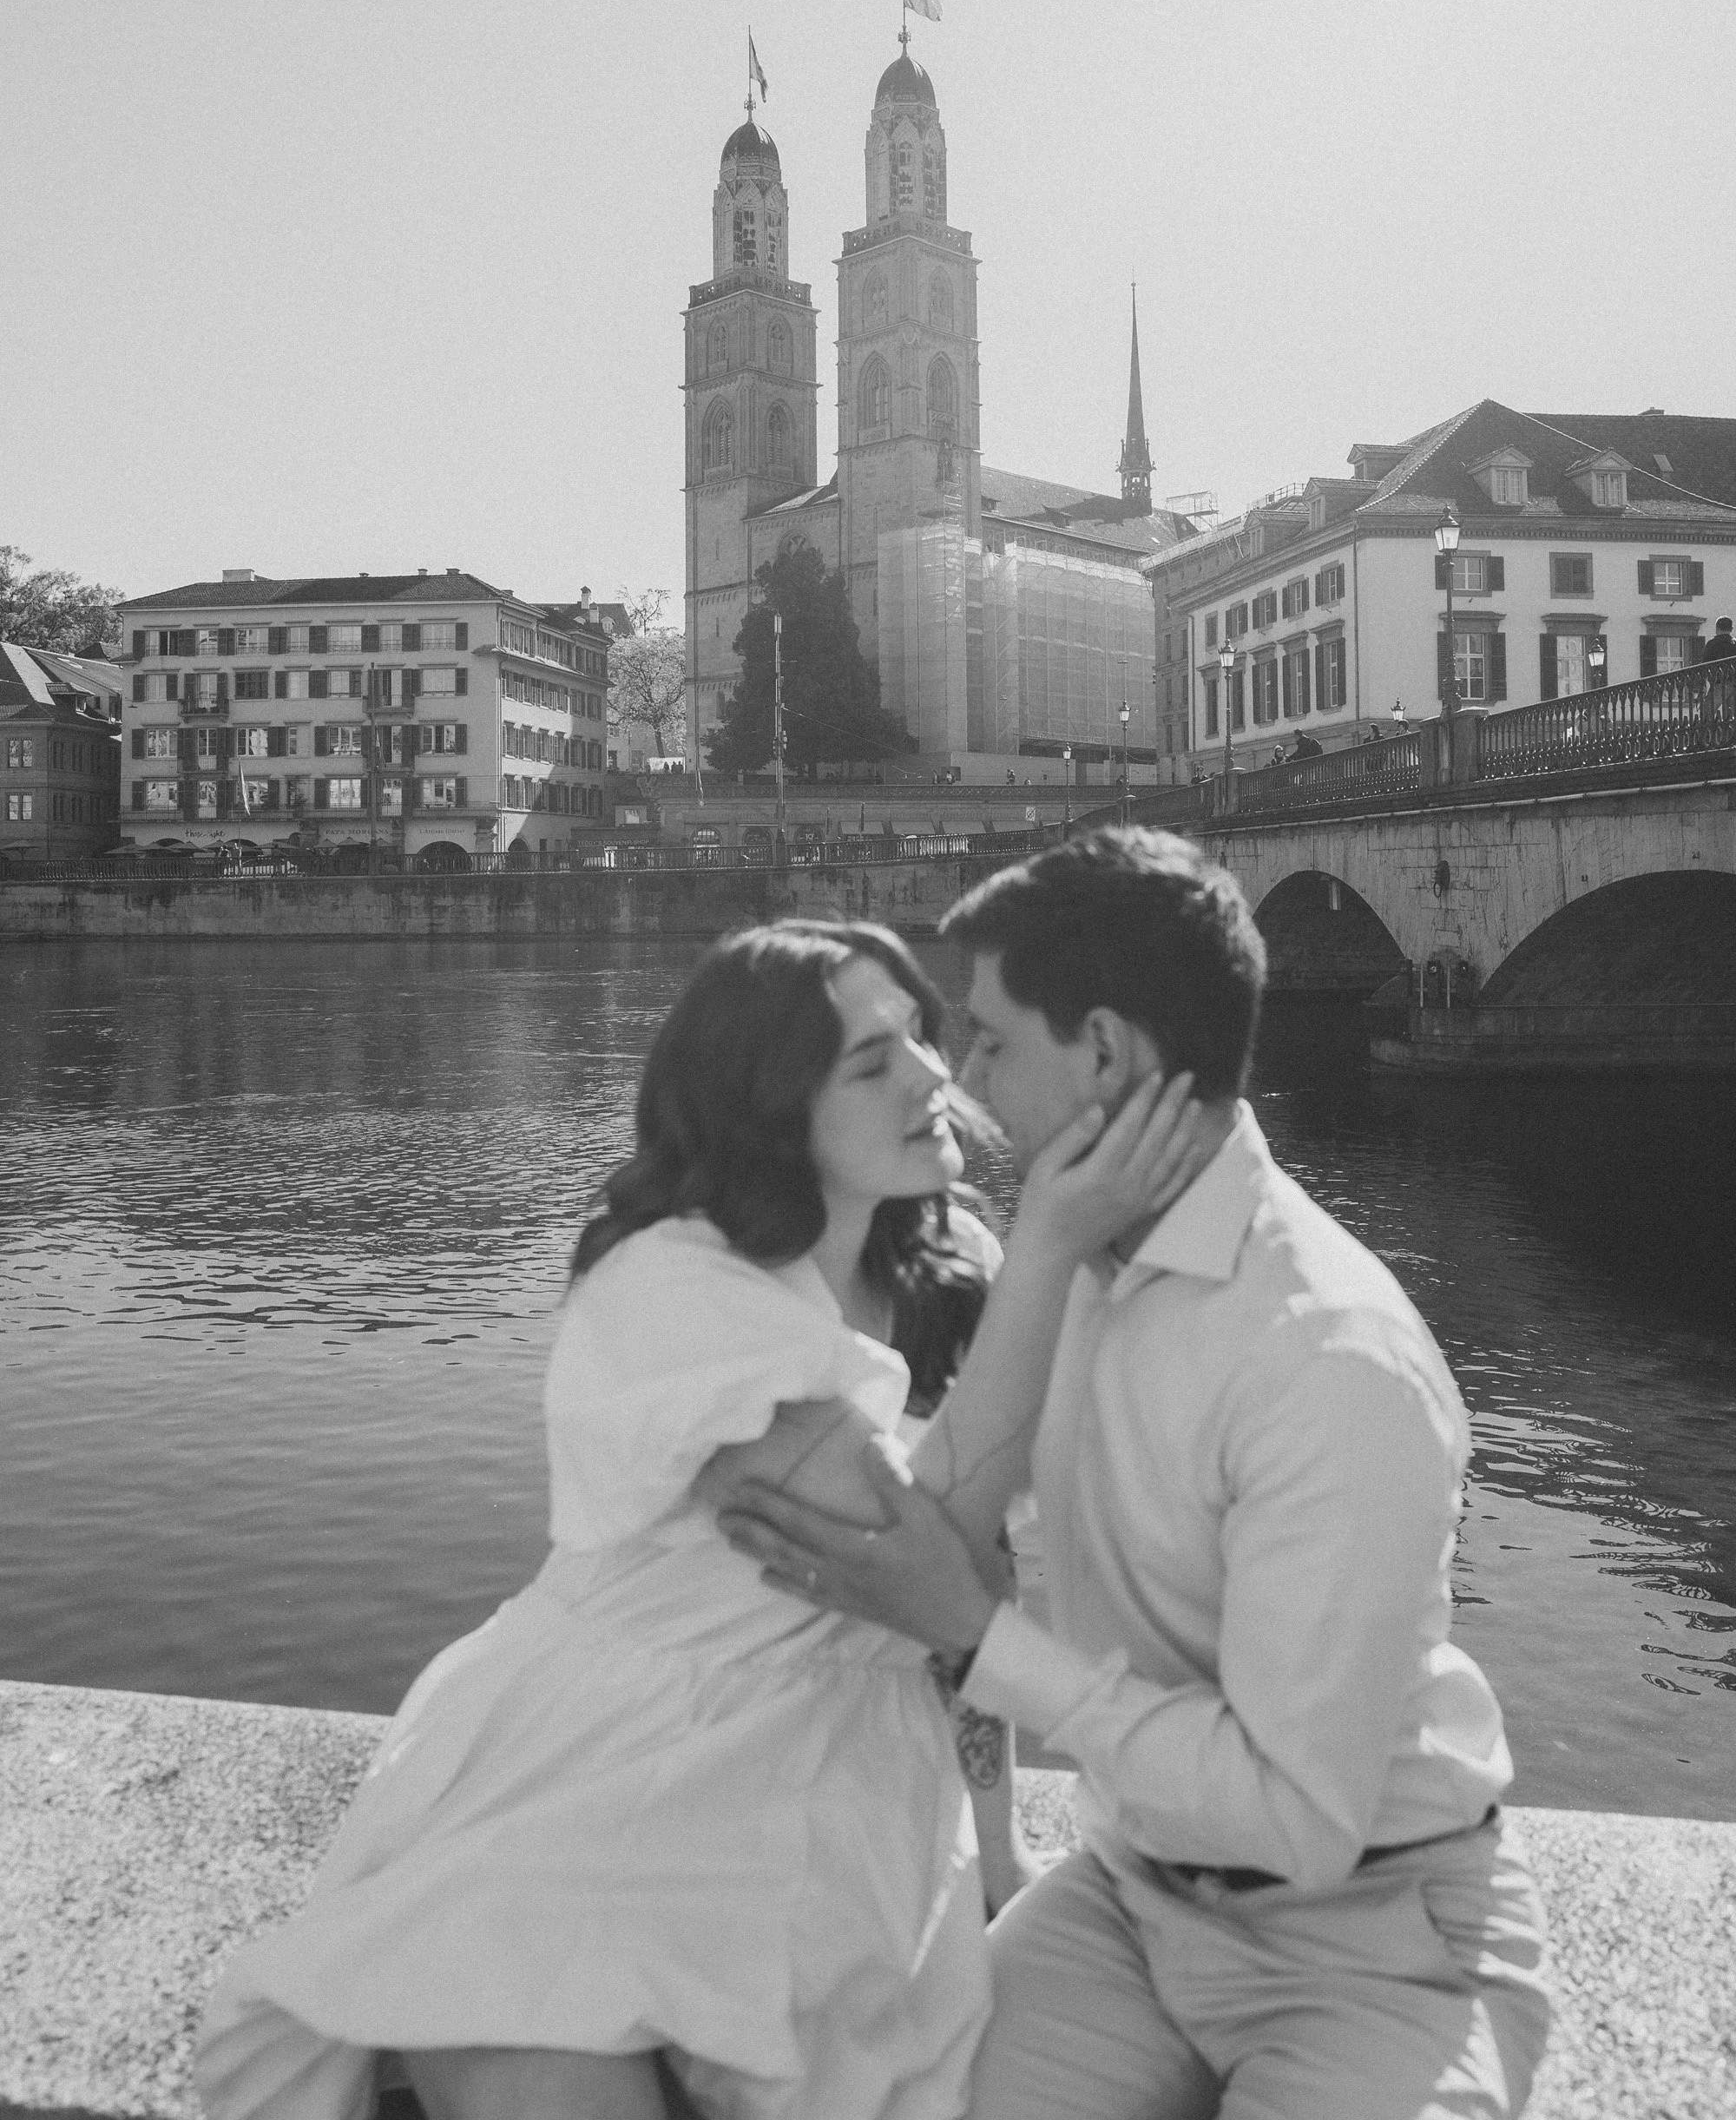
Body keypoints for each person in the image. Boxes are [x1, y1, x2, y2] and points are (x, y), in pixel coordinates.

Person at [197, 918, 1207, 2120]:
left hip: (841, 1797)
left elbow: (959, 1607)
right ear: (770, 1105)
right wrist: (1055, 1238)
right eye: (874, 1062)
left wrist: (994, 1861)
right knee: (545, 2065)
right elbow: (911, 1546)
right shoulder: (669, 1289)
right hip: (611, 1768)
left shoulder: (958, 1268)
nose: (936, 1077)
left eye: (926, 1041)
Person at [722, 833, 1550, 2120]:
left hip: (1378, 1940)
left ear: (1103, 1053)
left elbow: (1297, 1820)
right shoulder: (1061, 1264)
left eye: (991, 1039)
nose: (963, 1078)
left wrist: (977, 1632)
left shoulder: (1327, 1356)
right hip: (1133, 1898)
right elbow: (940, 1518)